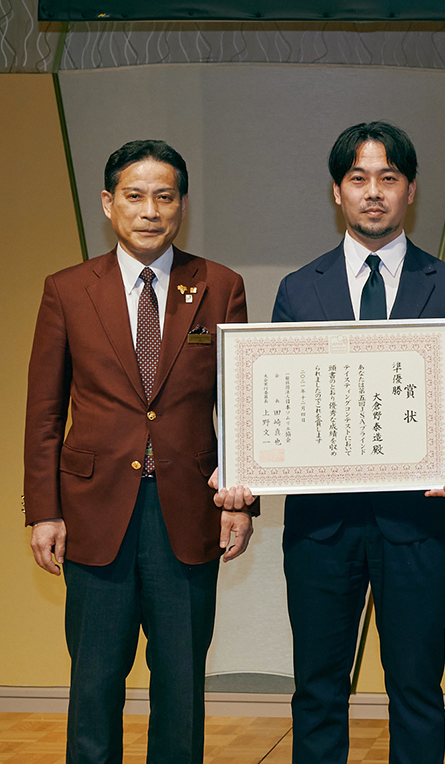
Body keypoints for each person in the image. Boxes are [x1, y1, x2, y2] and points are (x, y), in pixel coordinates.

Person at [272, 121, 445, 764]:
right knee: (317, 689)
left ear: (411, 190)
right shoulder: (298, 288)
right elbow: (278, 396)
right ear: (337, 192)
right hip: (321, 525)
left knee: (417, 688)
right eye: (358, 179)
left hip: (416, 519)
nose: (374, 192)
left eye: (388, 178)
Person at [24, 139, 256, 764]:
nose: (150, 210)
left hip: (187, 511)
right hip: (94, 513)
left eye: (164, 196)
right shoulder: (68, 290)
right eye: (134, 196)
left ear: (182, 204)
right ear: (108, 203)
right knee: (94, 682)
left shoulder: (218, 285)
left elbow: (240, 405)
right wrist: (43, 510)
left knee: (181, 686)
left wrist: (242, 500)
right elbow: (44, 412)